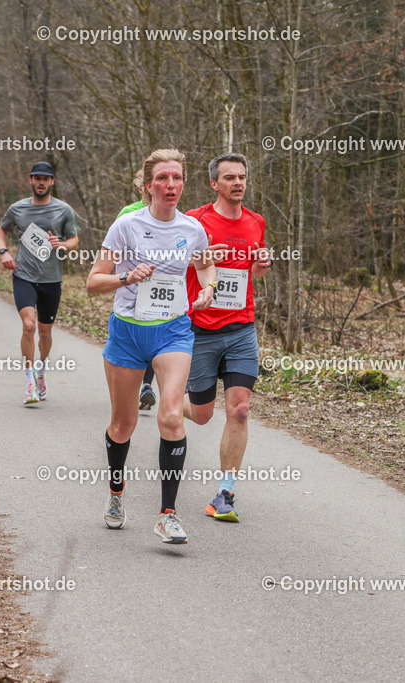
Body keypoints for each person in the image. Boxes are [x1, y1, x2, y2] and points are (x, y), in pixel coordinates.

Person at [87, 148, 216, 544]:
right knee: (123, 425)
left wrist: (208, 287)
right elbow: (93, 281)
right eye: (162, 178)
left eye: (177, 178)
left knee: (172, 416)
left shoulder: (192, 228)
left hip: (173, 331)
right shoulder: (126, 226)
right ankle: (115, 494)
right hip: (127, 332)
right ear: (148, 186)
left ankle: (167, 514)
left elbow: (205, 263)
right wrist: (126, 277)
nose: (171, 185)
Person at [183, 153, 270, 523]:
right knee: (201, 415)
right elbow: (172, 265)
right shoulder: (194, 220)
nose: (238, 182)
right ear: (214, 184)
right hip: (201, 329)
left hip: (241, 329)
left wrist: (260, 266)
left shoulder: (256, 222)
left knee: (240, 408)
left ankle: (225, 492)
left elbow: (252, 273)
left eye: (242, 177)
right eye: (229, 177)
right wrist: (199, 257)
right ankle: (173, 407)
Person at [0, 161, 80, 405]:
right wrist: (4, 252)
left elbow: (75, 239)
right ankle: (29, 381)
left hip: (51, 279)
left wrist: (63, 244)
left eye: (45, 178)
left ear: (52, 182)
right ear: (30, 180)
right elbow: (1, 231)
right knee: (29, 326)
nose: (41, 182)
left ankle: (41, 371)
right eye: (37, 178)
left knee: (44, 332)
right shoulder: (17, 208)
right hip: (23, 275)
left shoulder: (63, 209)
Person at [116, 186, 158, 411]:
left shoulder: (172, 215)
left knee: (154, 335)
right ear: (142, 187)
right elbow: (116, 250)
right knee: (136, 341)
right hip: (132, 288)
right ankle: (131, 386)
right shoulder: (127, 213)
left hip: (158, 289)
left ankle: (147, 385)